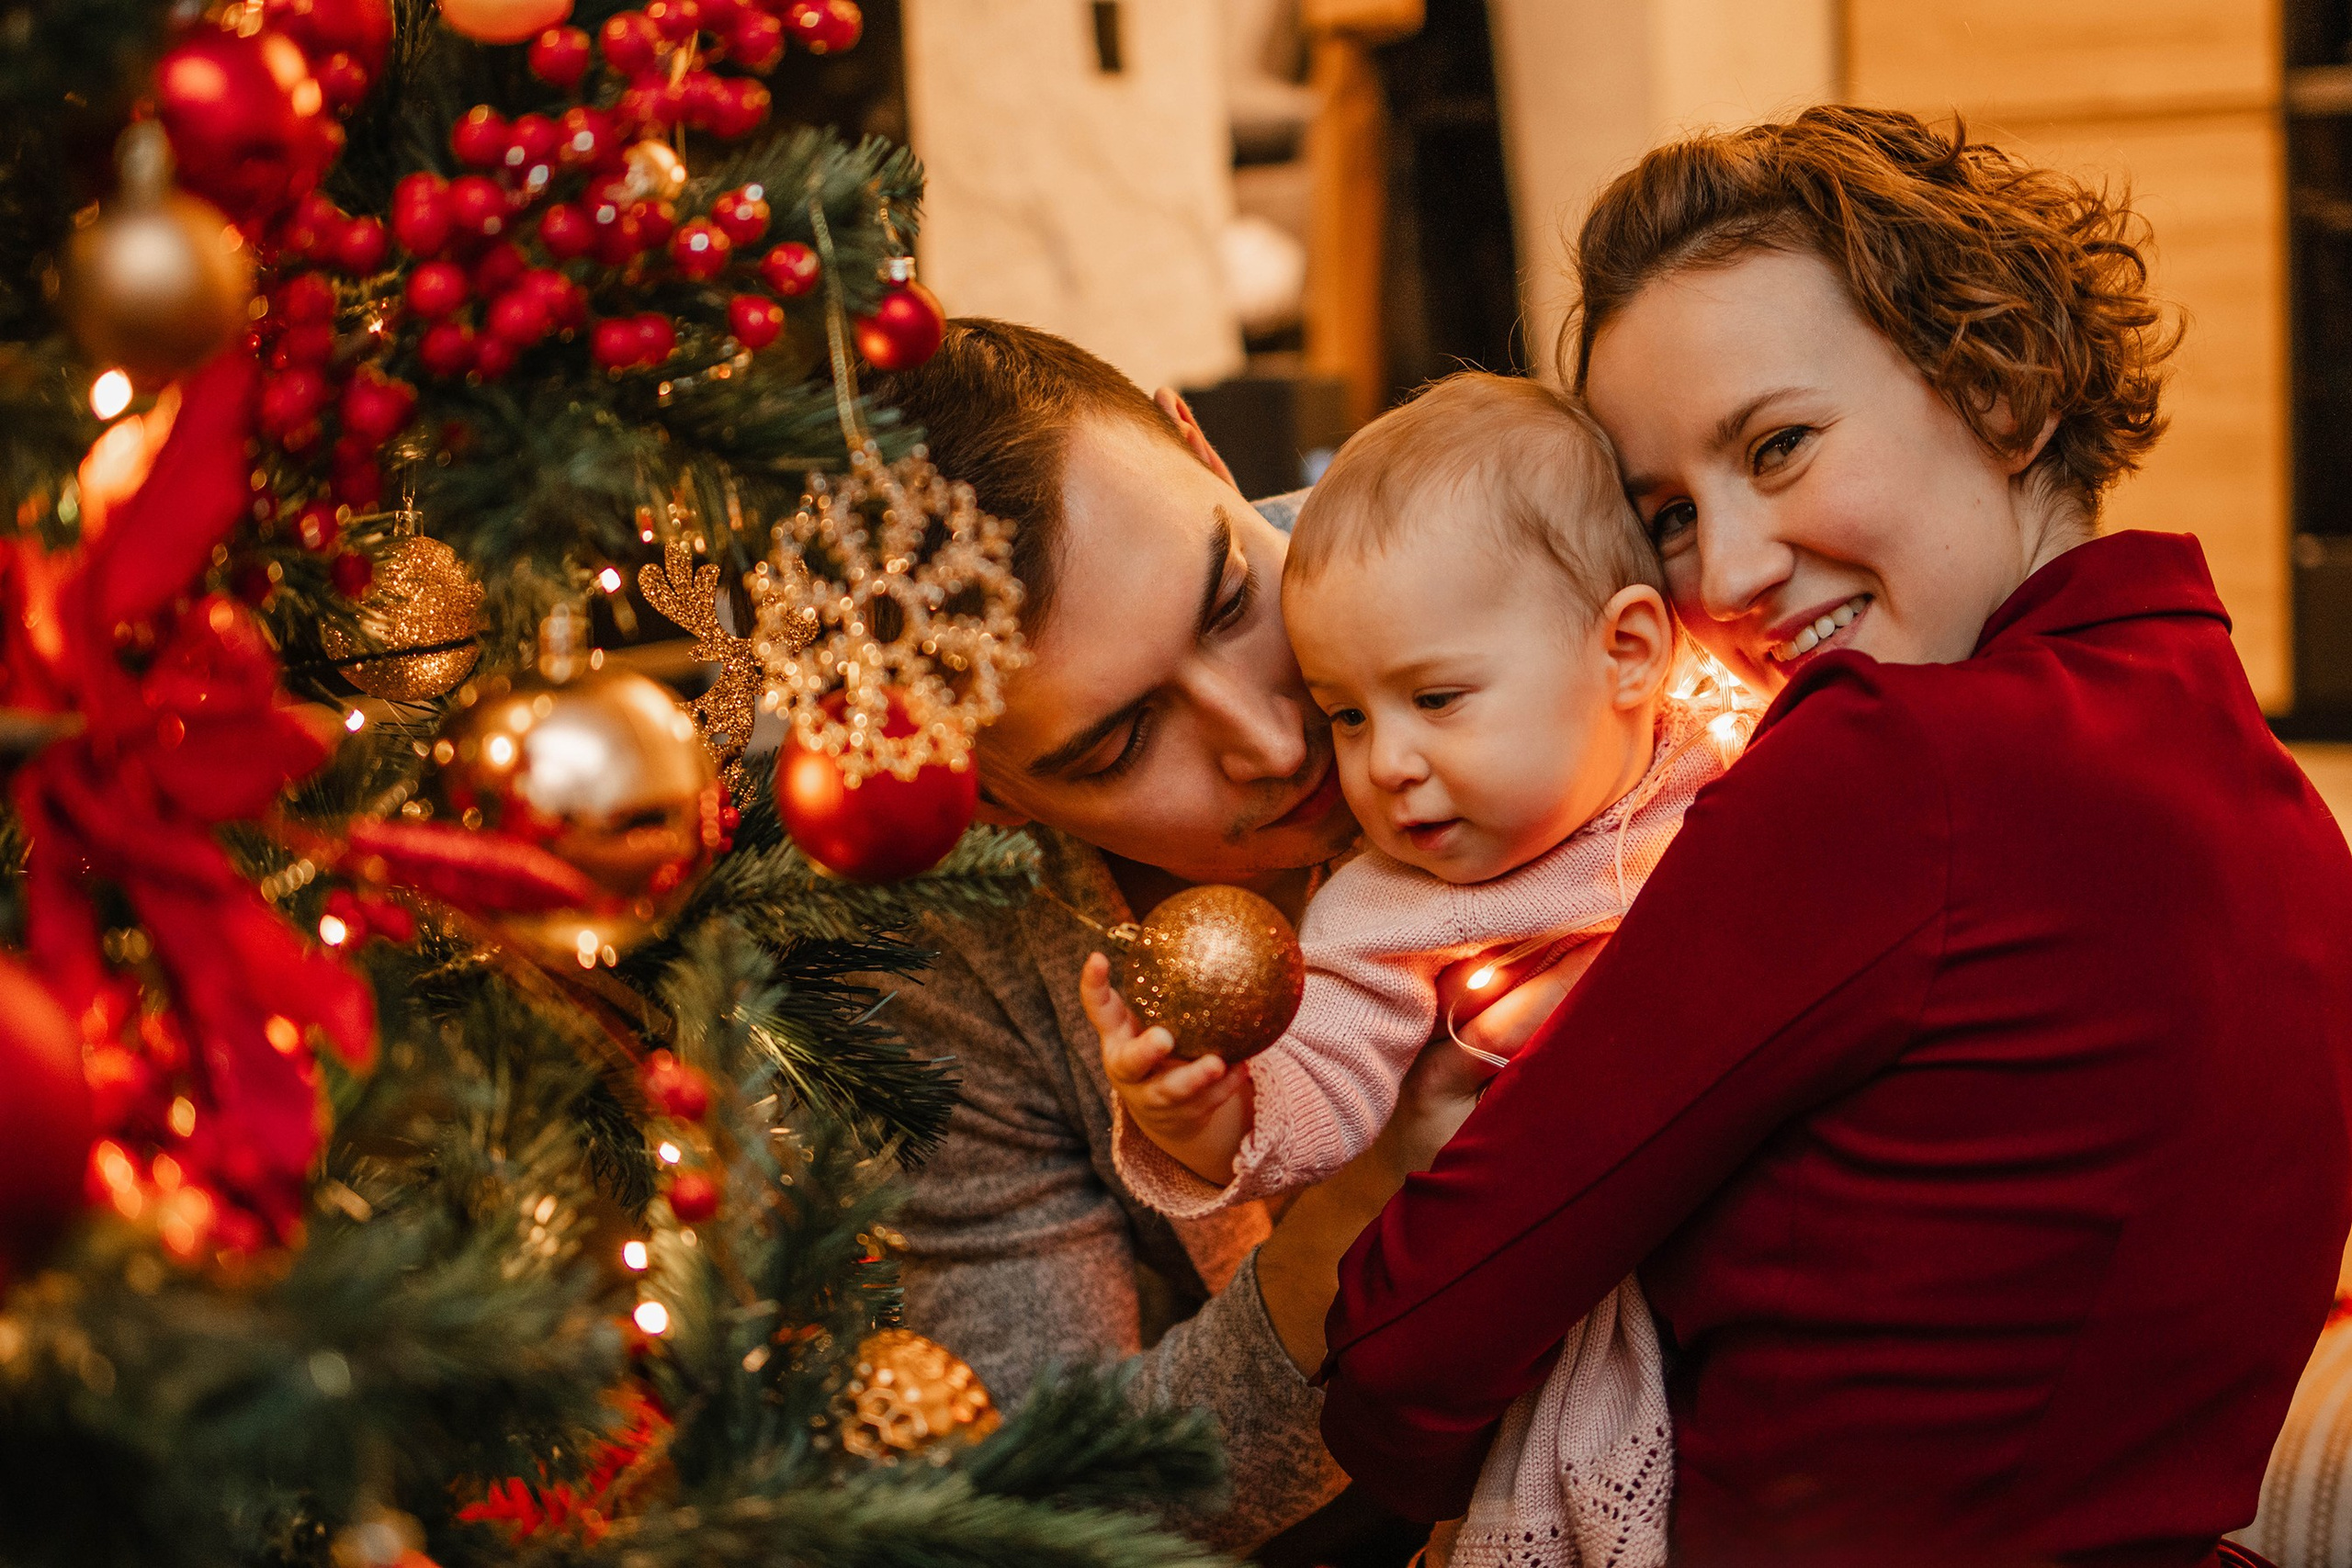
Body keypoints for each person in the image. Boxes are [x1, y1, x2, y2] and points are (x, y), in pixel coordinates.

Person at [1319, 106, 2352, 1567]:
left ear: (2000, 387)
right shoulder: (2287, 815)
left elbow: (1403, 1354)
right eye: (1667, 514)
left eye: (1781, 445)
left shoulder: (1889, 765)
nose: (1727, 572)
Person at [859, 323, 1564, 1553]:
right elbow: (1061, 1503)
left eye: (1232, 596)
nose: (1271, 741)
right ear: (996, 794)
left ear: (1202, 448)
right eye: (1122, 742)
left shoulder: (1519, 551)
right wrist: (1373, 1208)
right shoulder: (962, 965)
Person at [1090, 372, 1739, 1567]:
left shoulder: (1733, 757)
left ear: (1632, 652)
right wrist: (1215, 1114)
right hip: (1597, 1340)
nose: (1381, 764)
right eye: (1346, 713)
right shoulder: (1392, 908)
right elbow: (1328, 1073)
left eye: (1436, 700)